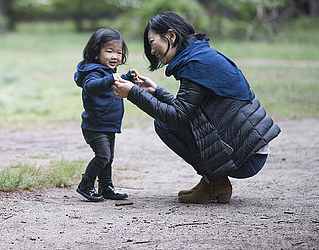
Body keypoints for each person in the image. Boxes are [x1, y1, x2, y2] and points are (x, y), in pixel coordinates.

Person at [112, 11, 281, 204]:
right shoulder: (199, 56)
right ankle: (214, 183)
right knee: (170, 122)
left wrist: (133, 92)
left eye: (152, 42)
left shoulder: (197, 63)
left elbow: (178, 116)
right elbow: (188, 109)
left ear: (171, 36)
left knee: (164, 125)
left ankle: (214, 180)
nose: (152, 51)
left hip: (246, 157)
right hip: (249, 149)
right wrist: (155, 91)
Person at [74, 28, 133, 202]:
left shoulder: (108, 72)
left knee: (109, 158)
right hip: (95, 126)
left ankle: (106, 186)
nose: (115, 56)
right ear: (96, 52)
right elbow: (91, 86)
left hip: (109, 124)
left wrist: (127, 77)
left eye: (119, 52)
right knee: (103, 156)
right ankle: (85, 185)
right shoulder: (92, 71)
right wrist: (113, 79)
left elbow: (110, 81)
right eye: (109, 51)